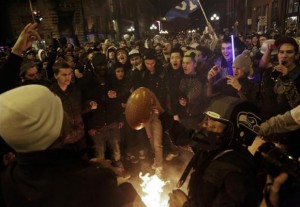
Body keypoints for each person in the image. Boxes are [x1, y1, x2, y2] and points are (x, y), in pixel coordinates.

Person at [165, 96, 261, 207]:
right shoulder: (214, 147)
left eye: (215, 121)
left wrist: (184, 205)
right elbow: (185, 137)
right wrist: (162, 115)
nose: (207, 124)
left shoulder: (235, 172)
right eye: (208, 118)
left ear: (236, 130)